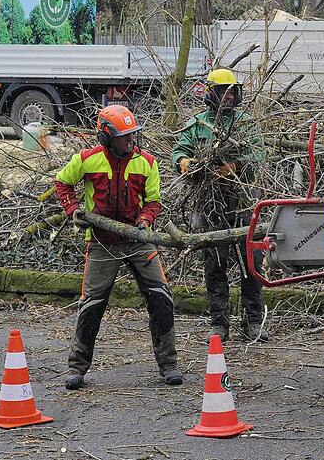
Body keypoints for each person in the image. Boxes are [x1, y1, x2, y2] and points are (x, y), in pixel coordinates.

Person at [55, 105, 182, 390]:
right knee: (92, 303)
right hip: (101, 242)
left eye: (133, 135)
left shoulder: (146, 162)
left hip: (138, 241)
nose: (131, 141)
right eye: (125, 137)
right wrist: (73, 210)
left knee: (161, 296)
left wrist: (146, 219)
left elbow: (154, 201)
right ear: (106, 136)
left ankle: (168, 363)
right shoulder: (87, 159)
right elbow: (62, 183)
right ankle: (77, 367)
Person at [171, 68, 267, 342]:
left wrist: (235, 166)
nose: (228, 96)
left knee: (252, 261)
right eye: (223, 91)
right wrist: (184, 163)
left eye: (232, 91)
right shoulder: (197, 124)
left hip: (242, 201)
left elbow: (258, 154)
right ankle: (219, 322)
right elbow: (179, 151)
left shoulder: (245, 123)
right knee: (214, 263)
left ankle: (253, 321)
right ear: (210, 94)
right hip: (209, 205)